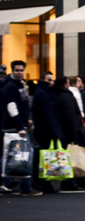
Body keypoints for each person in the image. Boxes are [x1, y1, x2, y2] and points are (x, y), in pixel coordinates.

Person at [0, 61, 41, 196]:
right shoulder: (11, 86)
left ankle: (15, 185)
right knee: (20, 156)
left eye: (21, 70)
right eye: (17, 70)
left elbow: (19, 106)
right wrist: (20, 127)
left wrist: (25, 121)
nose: (19, 72)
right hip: (14, 128)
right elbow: (12, 109)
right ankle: (24, 187)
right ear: (12, 71)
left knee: (17, 156)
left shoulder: (19, 84)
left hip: (18, 126)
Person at [54, 76, 85, 191]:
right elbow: (71, 117)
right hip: (69, 132)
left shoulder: (57, 95)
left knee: (66, 156)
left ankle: (68, 181)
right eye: (68, 83)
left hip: (62, 131)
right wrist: (75, 136)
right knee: (70, 157)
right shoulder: (67, 96)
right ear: (65, 84)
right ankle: (70, 182)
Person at [32, 71, 64, 193]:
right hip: (45, 131)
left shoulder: (44, 93)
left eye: (52, 80)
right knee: (45, 158)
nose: (52, 82)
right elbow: (49, 115)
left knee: (44, 157)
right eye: (49, 80)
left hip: (44, 130)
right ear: (43, 80)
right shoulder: (43, 94)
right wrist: (56, 132)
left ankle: (42, 181)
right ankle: (42, 182)